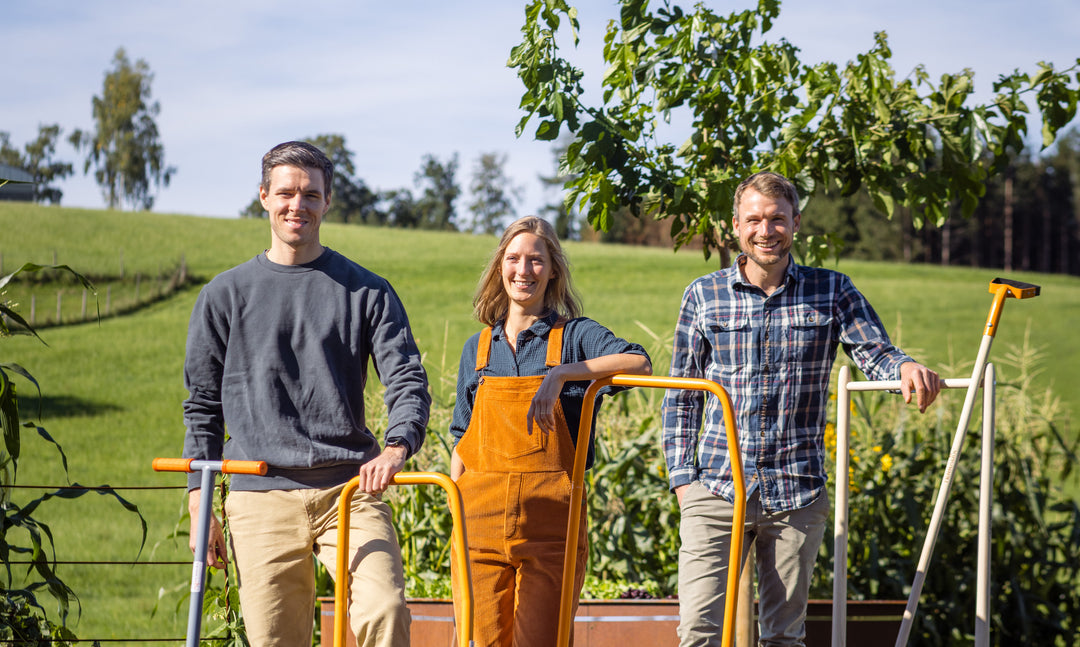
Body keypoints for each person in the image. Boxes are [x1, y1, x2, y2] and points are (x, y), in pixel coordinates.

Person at [662, 171, 942, 647]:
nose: (765, 230)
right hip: (714, 486)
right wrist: (683, 480)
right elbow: (683, 393)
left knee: (783, 637)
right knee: (699, 631)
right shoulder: (703, 294)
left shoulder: (832, 290)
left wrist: (906, 369)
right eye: (754, 219)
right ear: (735, 226)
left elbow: (874, 352)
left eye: (777, 219)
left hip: (795, 490)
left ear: (796, 223)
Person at [181, 141, 430, 647]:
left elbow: (406, 377)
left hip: (351, 491)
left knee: (385, 609)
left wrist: (398, 446)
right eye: (287, 193)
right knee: (274, 639)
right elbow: (202, 406)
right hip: (259, 491)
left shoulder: (366, 291)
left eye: (311, 194)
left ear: (328, 201)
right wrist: (199, 506)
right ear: (264, 197)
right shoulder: (225, 295)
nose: (299, 205)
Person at [448, 216, 652, 646]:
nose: (524, 270)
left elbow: (638, 363)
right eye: (514, 258)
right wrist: (456, 515)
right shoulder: (478, 348)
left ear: (553, 269)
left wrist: (563, 374)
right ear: (499, 266)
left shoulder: (575, 336)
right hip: (477, 526)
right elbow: (462, 438)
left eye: (536, 260)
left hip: (551, 527)